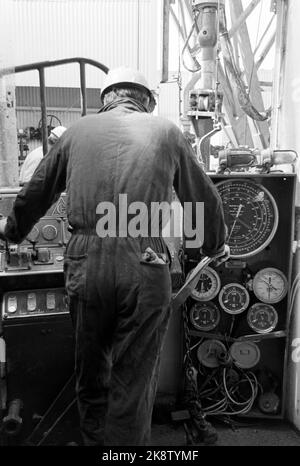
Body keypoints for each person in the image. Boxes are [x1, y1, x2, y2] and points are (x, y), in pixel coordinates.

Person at [0, 66, 229, 446]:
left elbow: (36, 191)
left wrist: (12, 232)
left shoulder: (77, 132)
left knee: (91, 375)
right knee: (132, 383)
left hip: (85, 264)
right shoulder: (166, 132)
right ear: (146, 100)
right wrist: (213, 245)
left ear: (106, 98)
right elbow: (202, 199)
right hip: (144, 263)